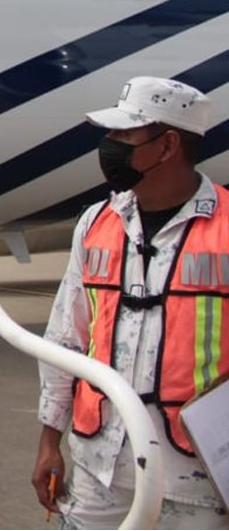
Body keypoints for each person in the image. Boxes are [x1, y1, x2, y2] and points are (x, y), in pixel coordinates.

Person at [33, 77, 229, 529]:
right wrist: (48, 440)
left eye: (125, 135)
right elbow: (66, 338)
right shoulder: (97, 222)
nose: (110, 146)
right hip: (98, 466)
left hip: (197, 479)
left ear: (168, 145)